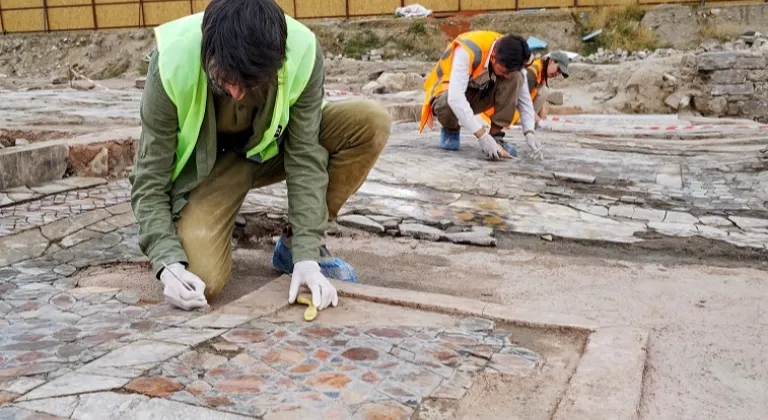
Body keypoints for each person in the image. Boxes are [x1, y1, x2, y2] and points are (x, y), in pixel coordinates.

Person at [130, 0, 391, 312]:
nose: (238, 93)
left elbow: (306, 157)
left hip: (272, 149)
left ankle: (291, 247)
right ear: (208, 52)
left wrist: (306, 255)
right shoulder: (171, 62)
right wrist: (167, 263)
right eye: (227, 79)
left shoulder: (301, 50)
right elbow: (148, 180)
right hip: (212, 169)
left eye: (251, 82)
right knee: (201, 282)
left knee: (369, 122)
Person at [419, 31, 543, 160]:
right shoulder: (468, 50)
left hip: (479, 92)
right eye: (504, 71)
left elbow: (524, 98)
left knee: (516, 77)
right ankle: (451, 129)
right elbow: (455, 98)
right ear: (494, 57)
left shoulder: (514, 56)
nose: (506, 76)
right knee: (447, 102)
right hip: (446, 94)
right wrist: (482, 136)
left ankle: (496, 136)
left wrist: (529, 132)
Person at [510, 51, 570, 129]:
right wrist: (539, 122)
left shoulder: (542, 70)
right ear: (551, 61)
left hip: (523, 108)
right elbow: (522, 103)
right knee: (543, 91)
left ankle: (531, 120)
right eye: (558, 69)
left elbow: (536, 95)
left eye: (560, 73)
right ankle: (526, 120)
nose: (557, 74)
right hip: (511, 110)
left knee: (544, 90)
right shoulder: (531, 74)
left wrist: (541, 118)